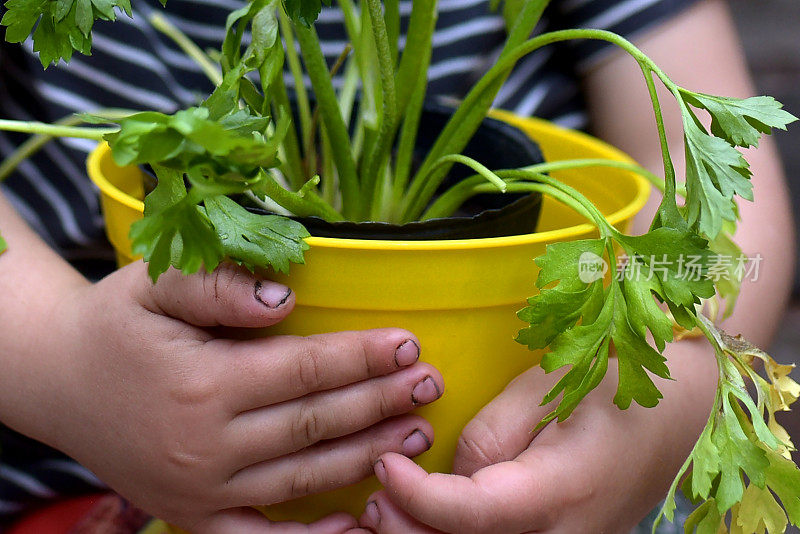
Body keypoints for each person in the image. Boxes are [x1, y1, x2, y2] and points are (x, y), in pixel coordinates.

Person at [0, 0, 793, 533]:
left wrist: (662, 402)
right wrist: (62, 360)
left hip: (544, 462)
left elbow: (717, 179)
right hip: (83, 471)